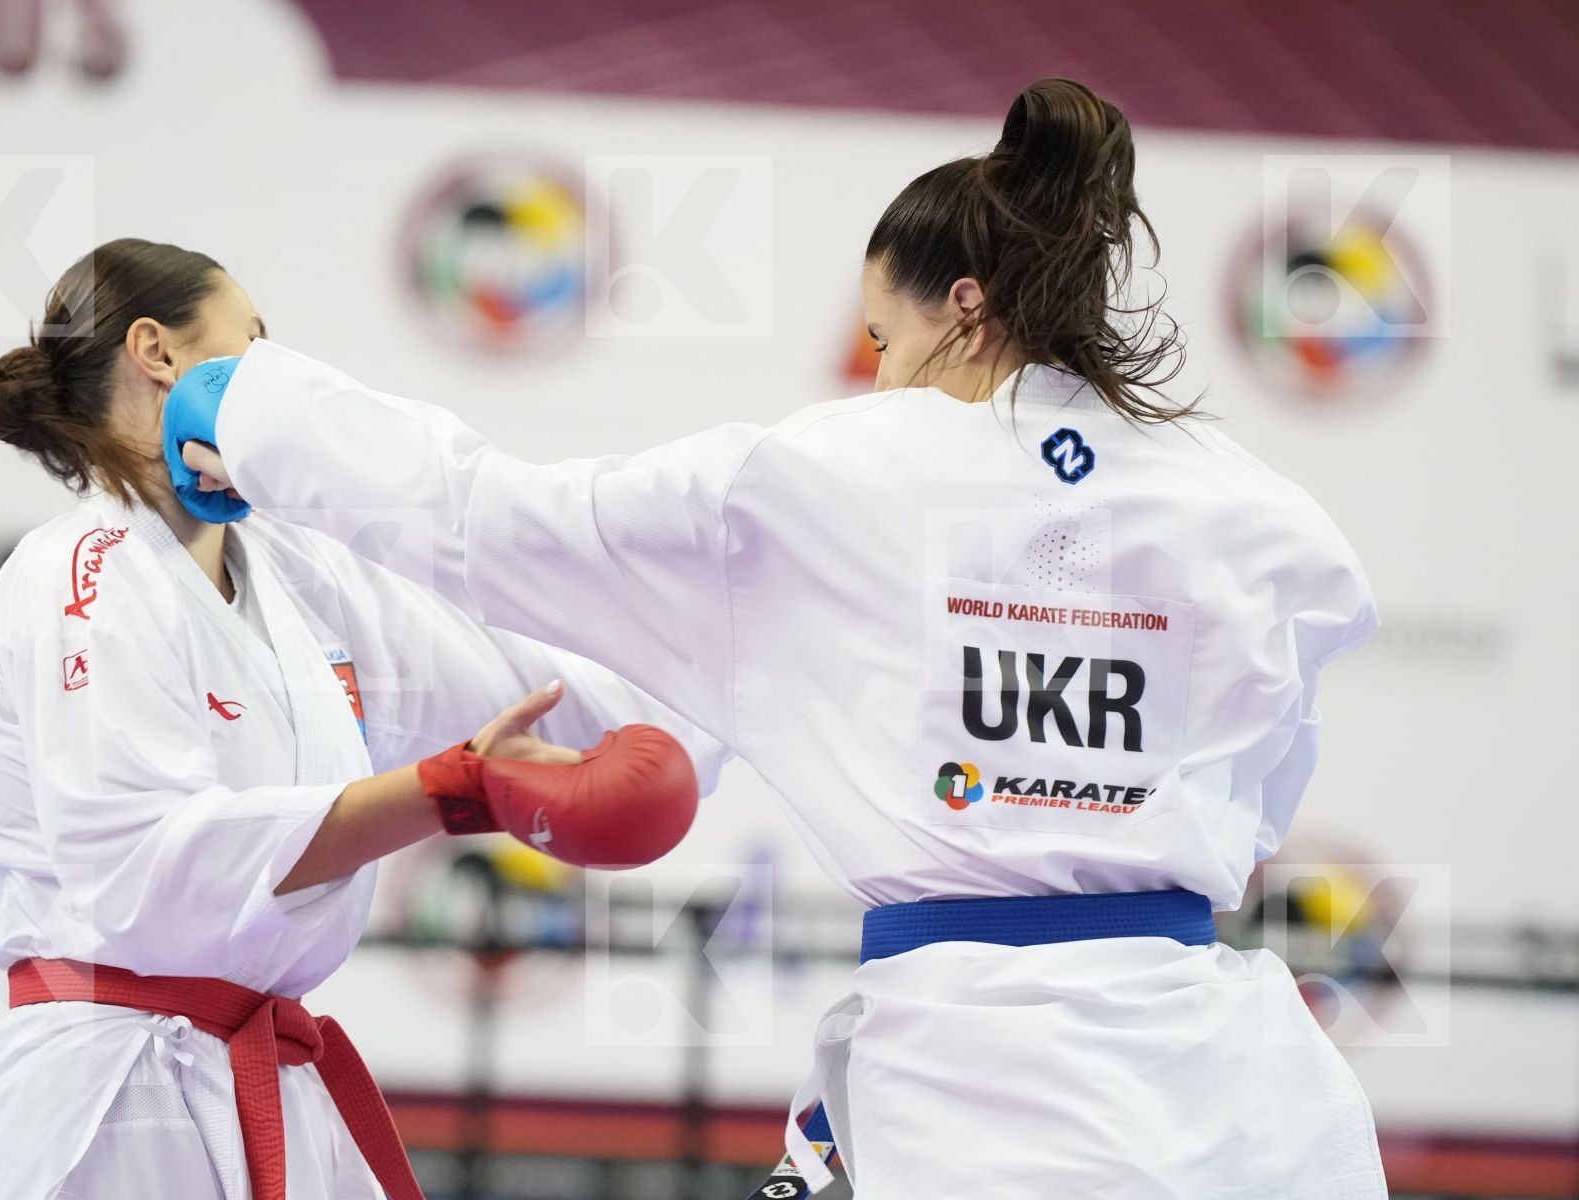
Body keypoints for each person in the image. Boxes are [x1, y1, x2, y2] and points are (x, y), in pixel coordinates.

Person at [174, 79, 1386, 1199]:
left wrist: (257, 409)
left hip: (988, 1091)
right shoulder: (1260, 514)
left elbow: (489, 516)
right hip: (1236, 1094)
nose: (880, 377)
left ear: (965, 309)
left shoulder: (829, 480)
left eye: (884, 339)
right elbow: (1262, 788)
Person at [0, 239, 725, 1200]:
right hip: (112, 1102)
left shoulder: (295, 569)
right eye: (252, 342)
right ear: (158, 353)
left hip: (269, 1080)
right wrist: (447, 793)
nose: (274, 381)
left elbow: (529, 693)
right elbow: (146, 870)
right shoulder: (85, 571)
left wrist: (737, 694)